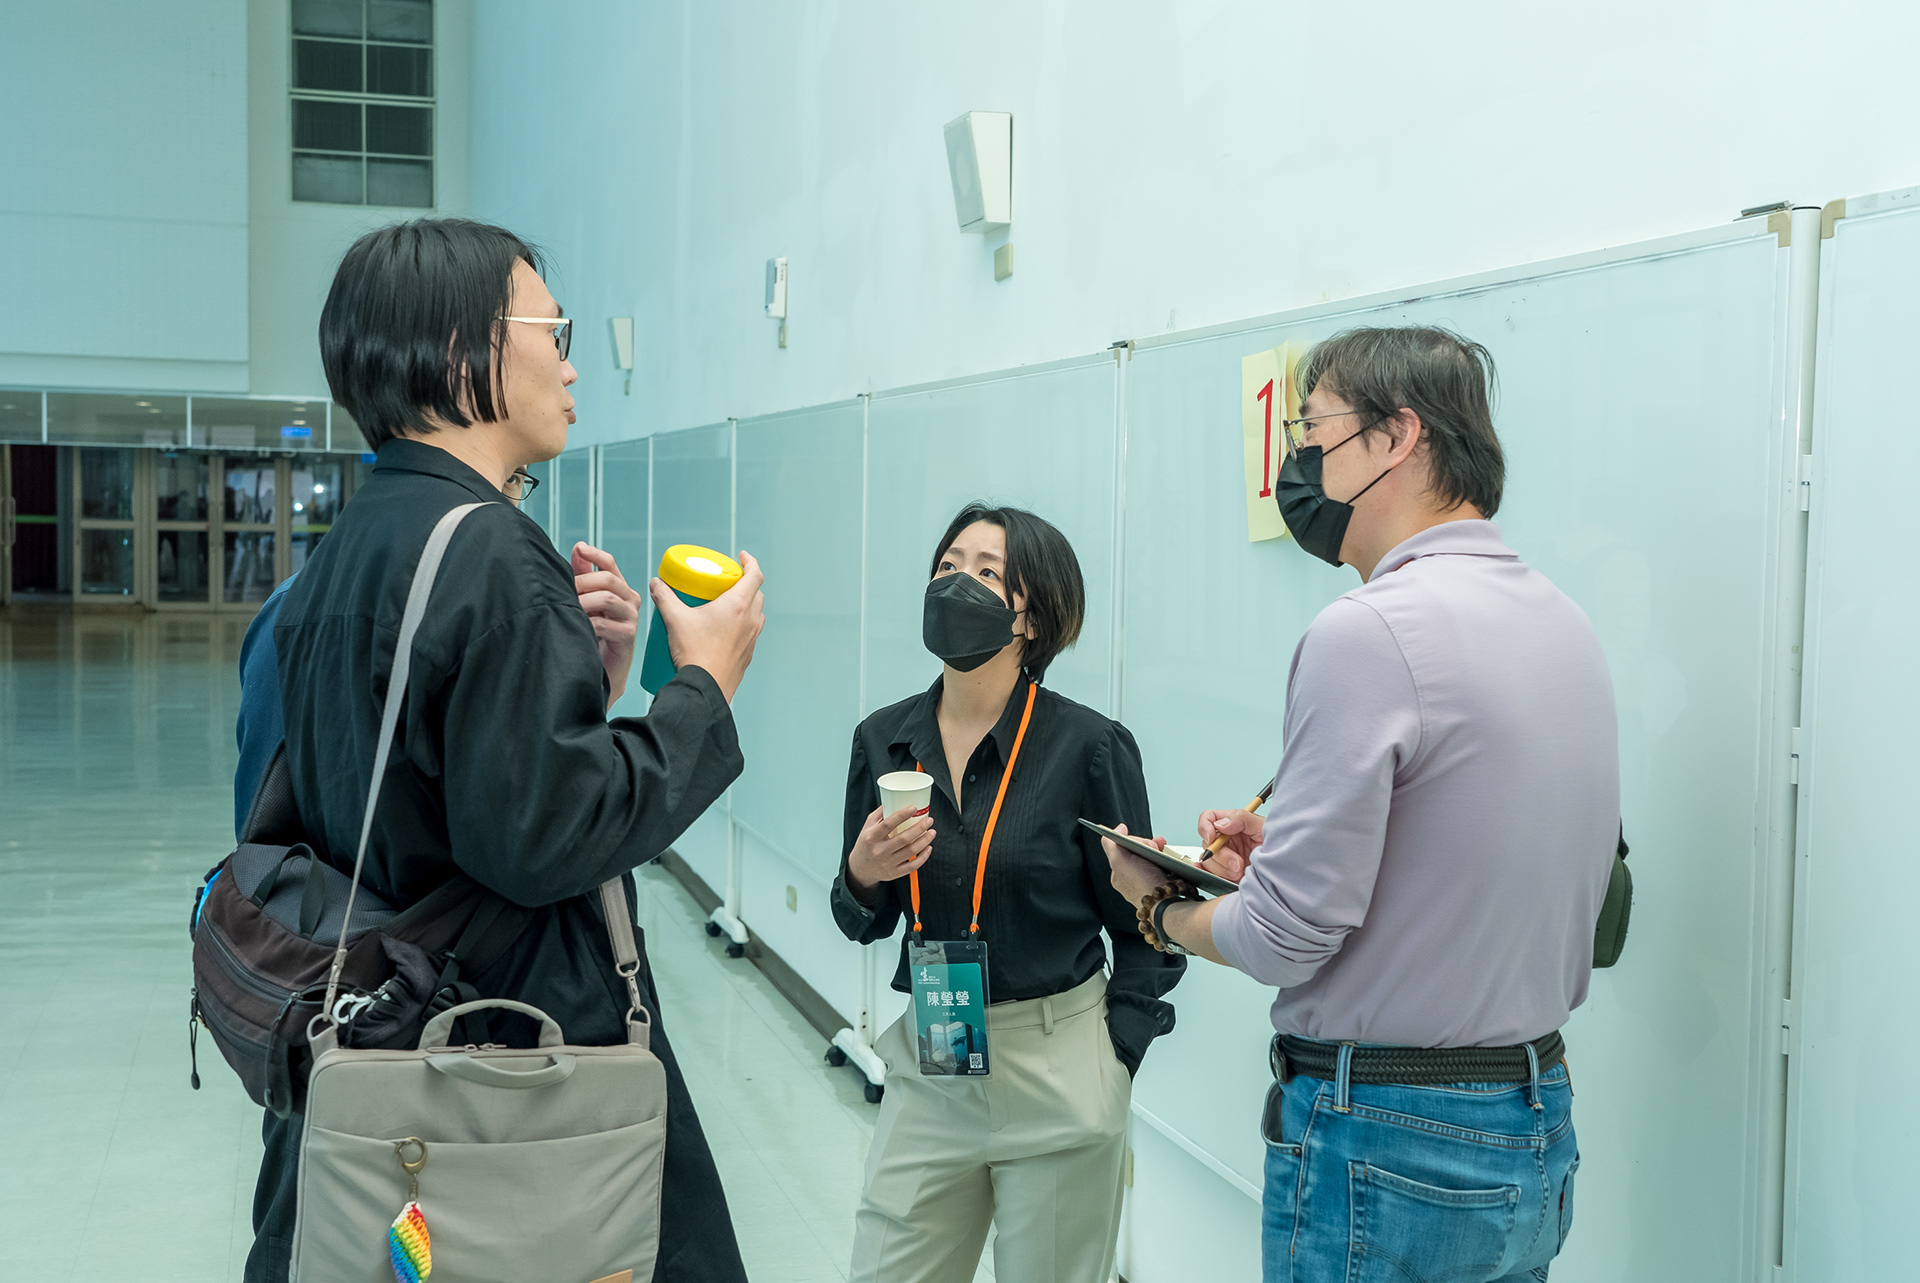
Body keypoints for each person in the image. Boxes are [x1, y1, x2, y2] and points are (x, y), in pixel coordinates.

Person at [244, 217, 766, 1283]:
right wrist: (701, 685)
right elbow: (545, 840)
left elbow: (426, 788)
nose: (570, 365)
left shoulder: (346, 552)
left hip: (383, 1023)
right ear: (460, 352)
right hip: (506, 1050)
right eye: (551, 331)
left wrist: (581, 692)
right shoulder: (492, 550)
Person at [1103, 327, 1618, 1282]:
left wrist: (1161, 907)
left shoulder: (1369, 630)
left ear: (1397, 437)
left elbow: (1285, 938)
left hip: (1390, 1139)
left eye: (1314, 431)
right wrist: (1291, 848)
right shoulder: (1564, 621)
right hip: (1535, 1122)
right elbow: (1482, 854)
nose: (1299, 462)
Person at [832, 503, 1186, 1283]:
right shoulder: (883, 739)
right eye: (948, 564)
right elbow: (863, 917)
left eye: (986, 571)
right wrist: (862, 871)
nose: (955, 582)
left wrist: (1115, 1060)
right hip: (935, 1057)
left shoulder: (1089, 748)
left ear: (1032, 616)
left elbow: (1148, 924)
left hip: (1058, 1068)